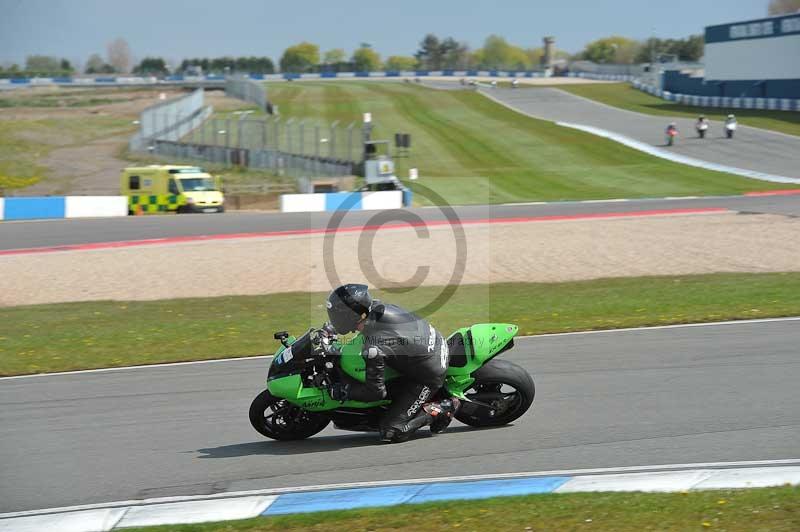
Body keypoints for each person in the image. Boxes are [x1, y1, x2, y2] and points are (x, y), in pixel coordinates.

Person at [325, 284, 459, 443]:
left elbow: (375, 392)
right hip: (433, 344)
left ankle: (445, 407)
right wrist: (328, 331)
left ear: (351, 315)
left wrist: (344, 392)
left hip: (429, 375)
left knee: (393, 430)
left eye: (337, 315)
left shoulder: (374, 347)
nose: (334, 318)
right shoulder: (376, 308)